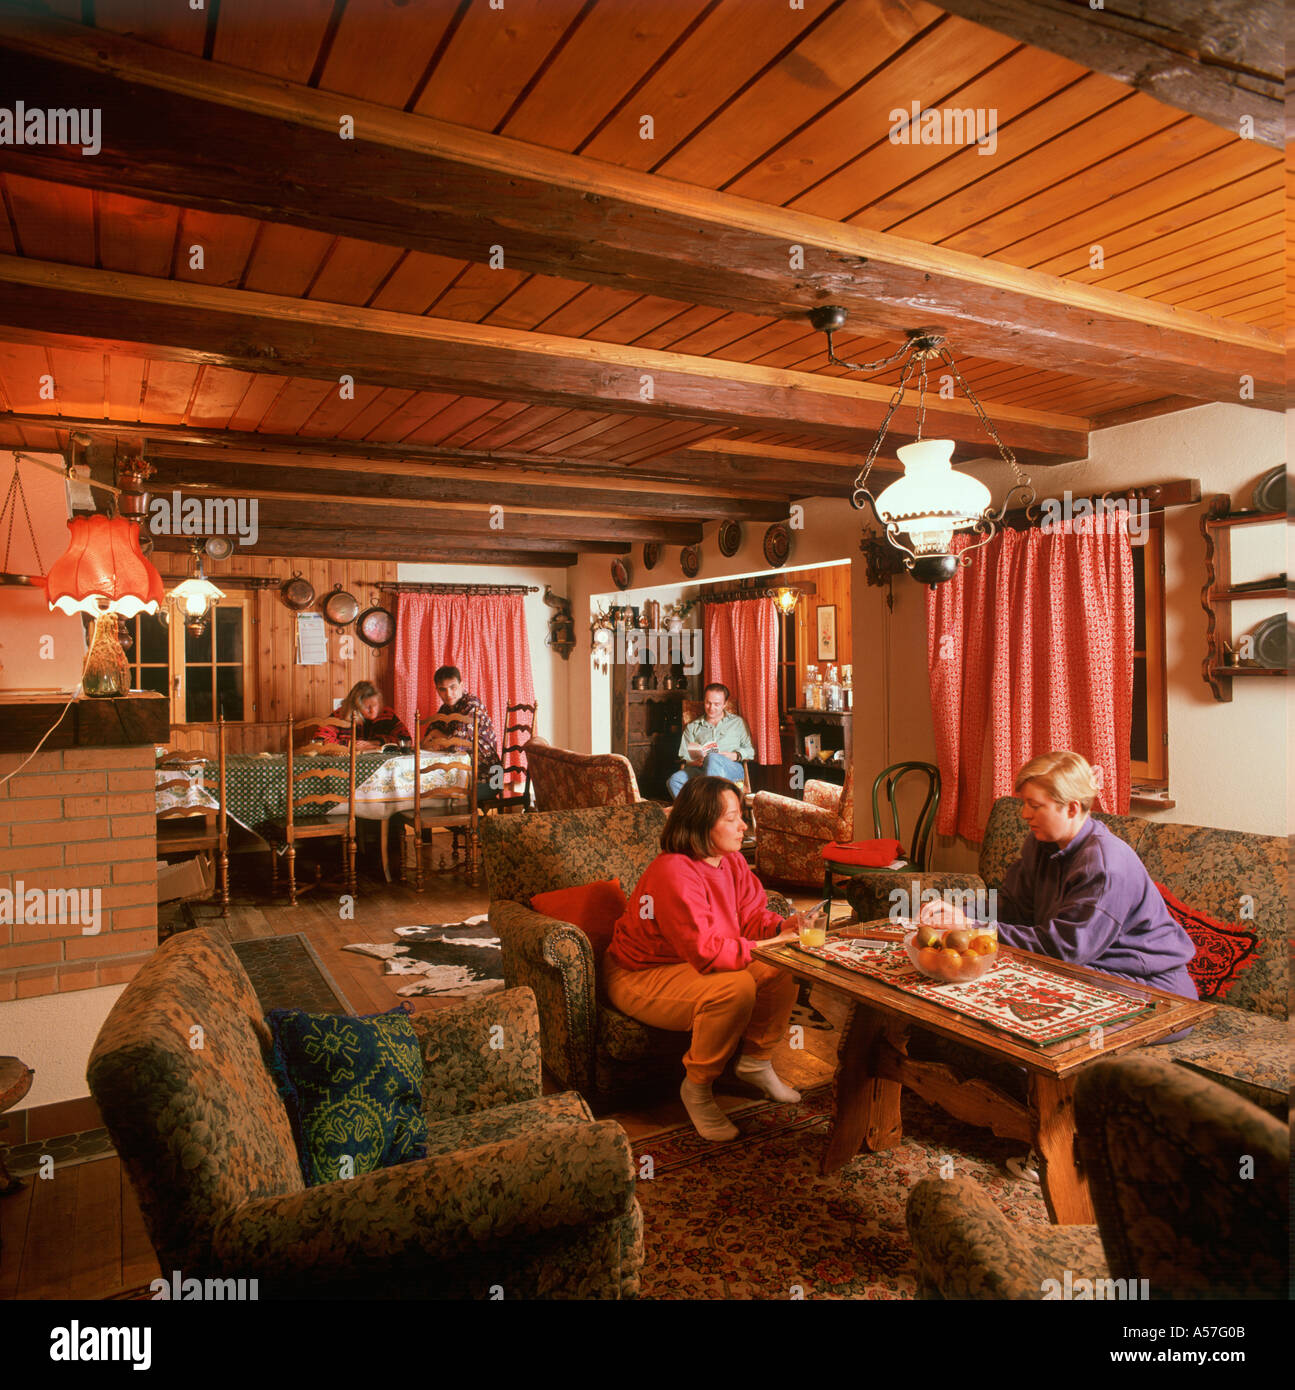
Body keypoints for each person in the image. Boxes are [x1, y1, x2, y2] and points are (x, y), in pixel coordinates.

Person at [604, 775, 809, 1142]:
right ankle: (697, 1089)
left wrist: (783, 926)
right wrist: (769, 945)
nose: (743, 825)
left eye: (741, 816)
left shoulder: (730, 861)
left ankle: (756, 1063)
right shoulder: (674, 872)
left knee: (786, 961)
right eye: (732, 818)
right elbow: (708, 953)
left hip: (692, 962)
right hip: (639, 974)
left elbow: (750, 918)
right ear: (700, 821)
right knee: (736, 988)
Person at [921, 749, 1197, 1000]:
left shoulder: (1104, 865)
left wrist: (972, 929)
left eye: (1035, 805)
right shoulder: (1041, 843)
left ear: (1072, 808)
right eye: (1024, 803)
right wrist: (961, 914)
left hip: (1150, 987)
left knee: (1017, 998)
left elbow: (1065, 949)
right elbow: (1011, 904)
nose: (1024, 813)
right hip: (1085, 967)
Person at [667, 682, 754, 800]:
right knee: (674, 781)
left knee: (712, 758)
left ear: (725, 704)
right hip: (700, 769)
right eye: (708, 703)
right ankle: (695, 816)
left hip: (731, 769)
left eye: (717, 704)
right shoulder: (693, 727)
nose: (711, 708)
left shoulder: (738, 723)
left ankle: (710, 812)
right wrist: (695, 762)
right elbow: (684, 756)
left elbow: (750, 751)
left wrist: (734, 755)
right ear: (704, 701)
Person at [432, 665, 502, 803]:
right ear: (437, 690)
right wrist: (438, 736)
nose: (448, 693)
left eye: (453, 687)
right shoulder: (445, 708)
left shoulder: (471, 705)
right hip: (465, 777)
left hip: (492, 779)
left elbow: (455, 746)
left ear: (462, 685)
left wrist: (438, 735)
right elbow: (428, 739)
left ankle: (476, 824)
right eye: (442, 689)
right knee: (428, 792)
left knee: (441, 797)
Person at [315, 681, 409, 751]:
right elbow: (319, 740)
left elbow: (406, 739)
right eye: (367, 707)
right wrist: (351, 745)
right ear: (355, 706)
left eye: (375, 705)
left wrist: (377, 742)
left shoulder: (387, 714)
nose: (372, 710)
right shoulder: (340, 715)